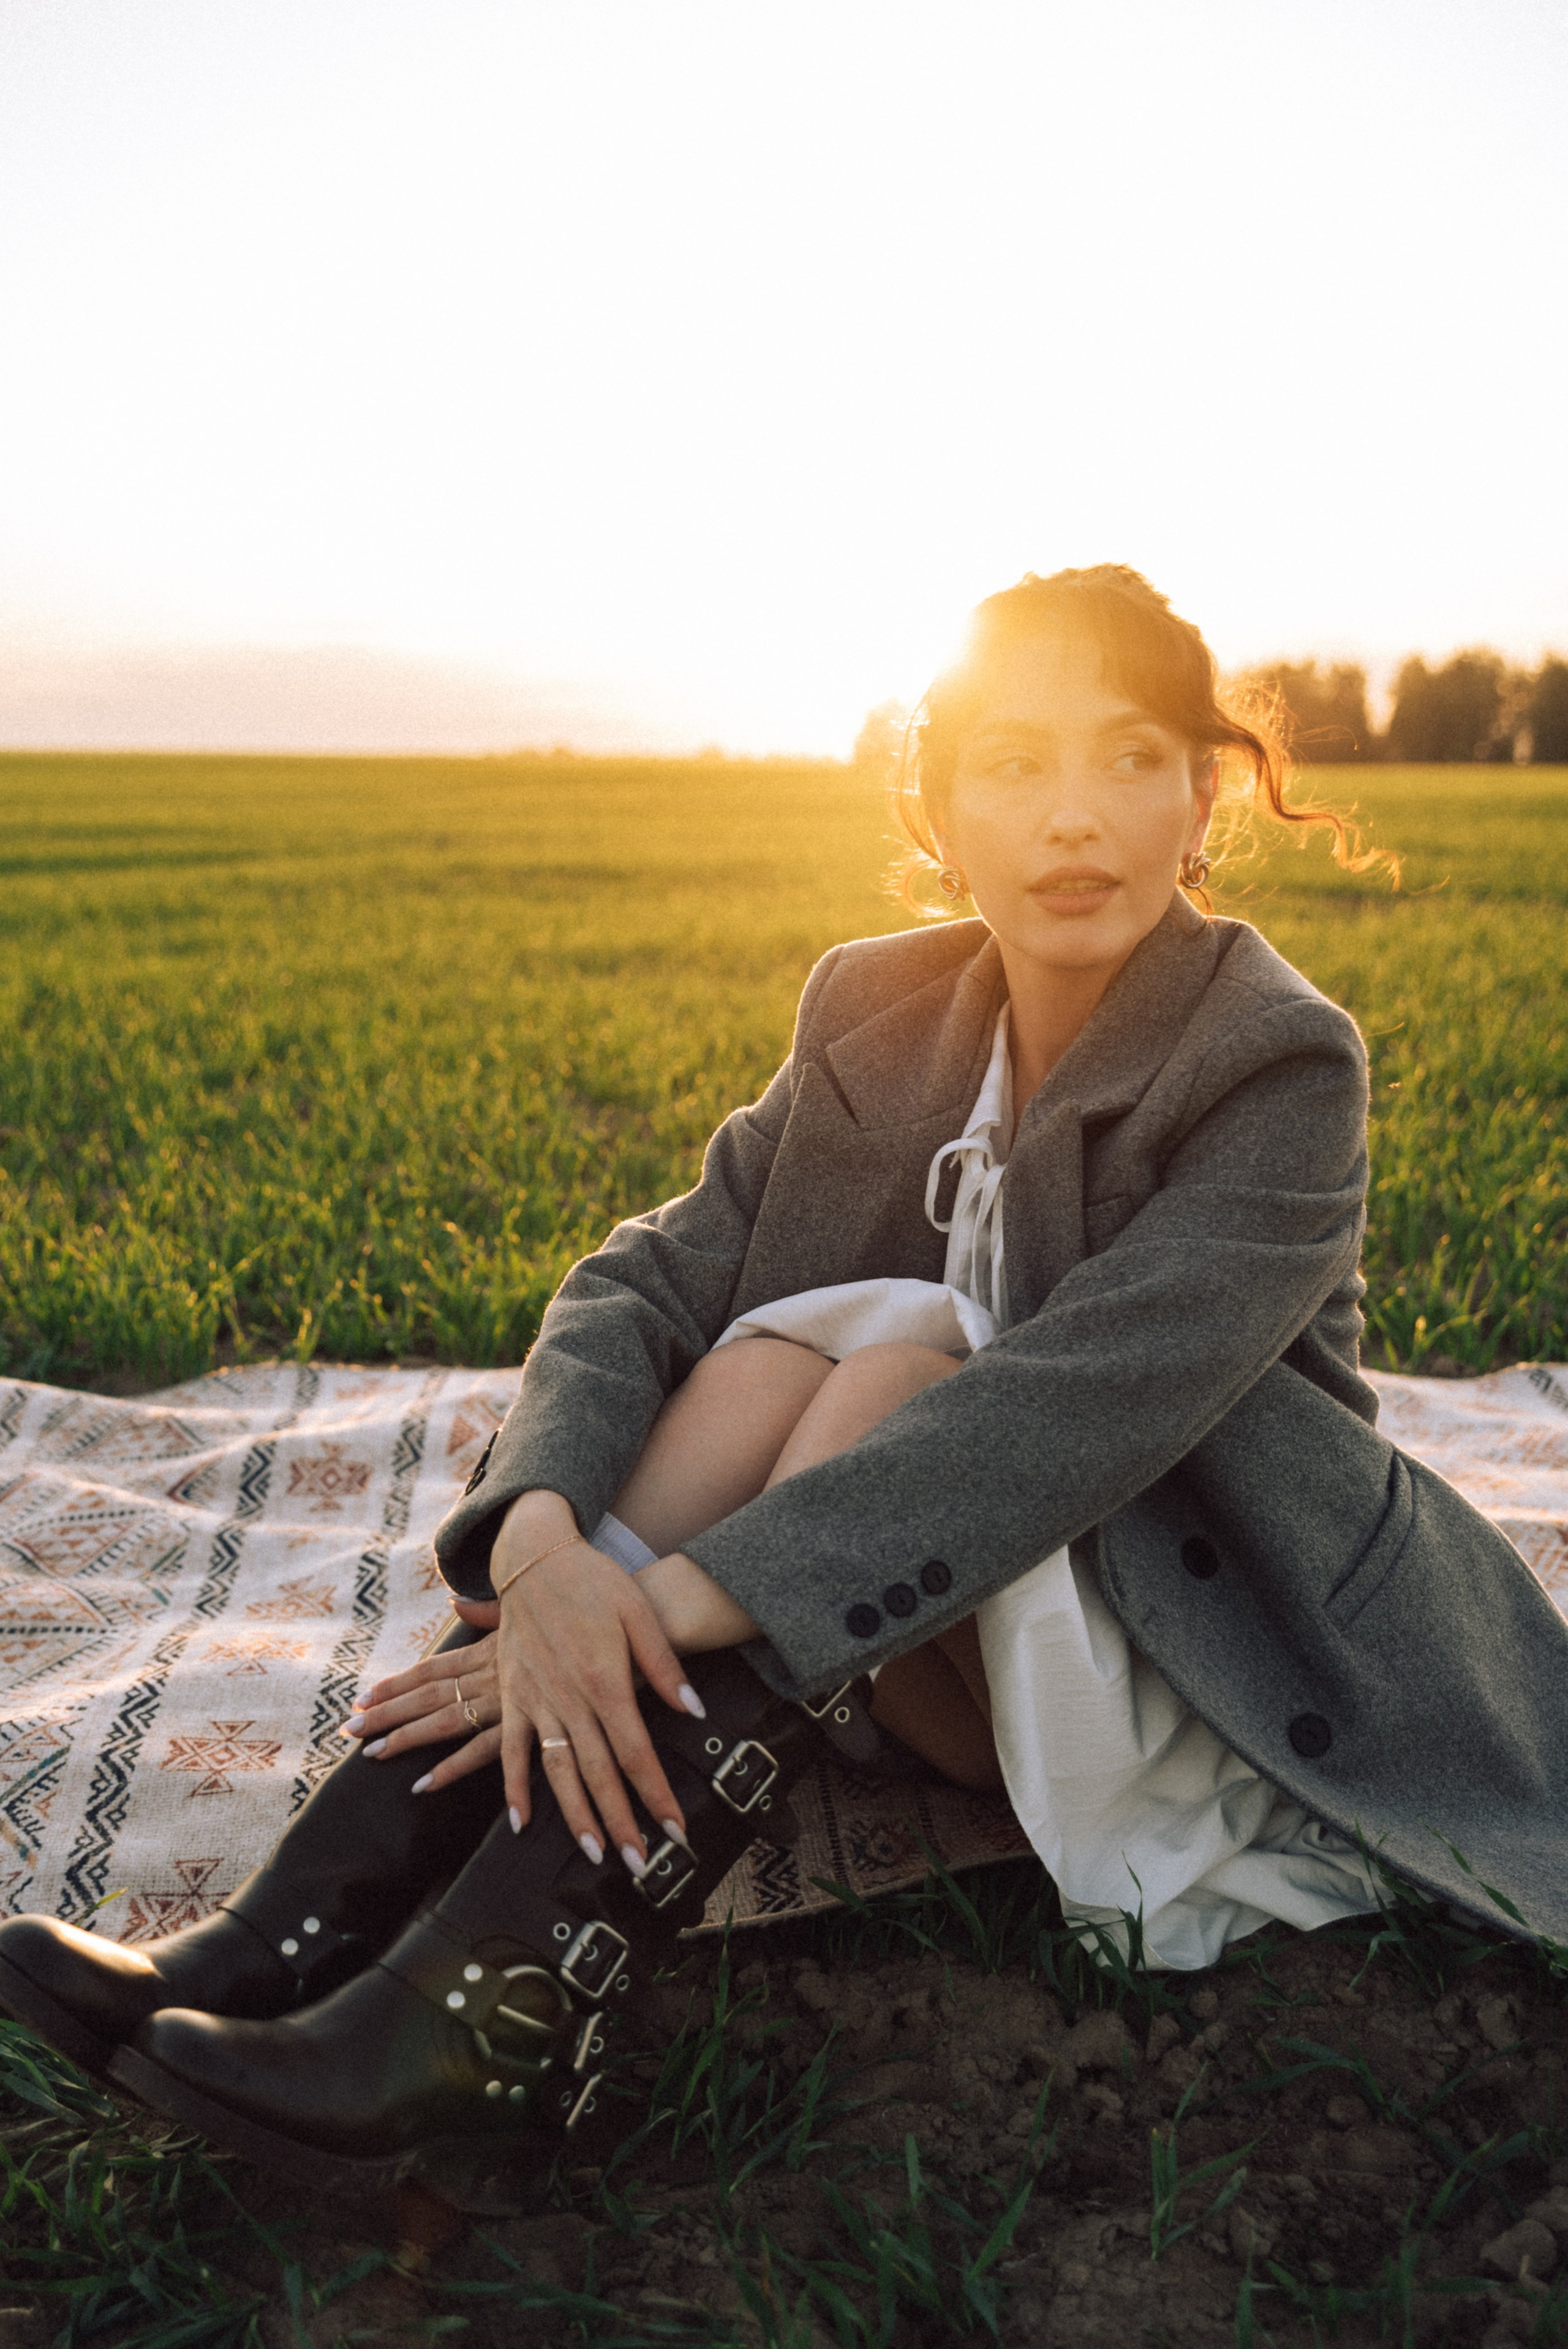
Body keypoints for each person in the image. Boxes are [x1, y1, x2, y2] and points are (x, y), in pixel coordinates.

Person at [7, 566, 1568, 2209]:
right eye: (1014, 761)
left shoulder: (1276, 1060)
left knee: (903, 1352)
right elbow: (649, 1278)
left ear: (1202, 793)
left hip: (1205, 1644)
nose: (1074, 816)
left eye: (1128, 757)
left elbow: (1071, 1411)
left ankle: (494, 2011)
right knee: (764, 1351)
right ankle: (296, 1929)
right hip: (918, 1631)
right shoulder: (877, 1008)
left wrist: (661, 1602)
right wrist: (542, 1558)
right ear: (942, 803)